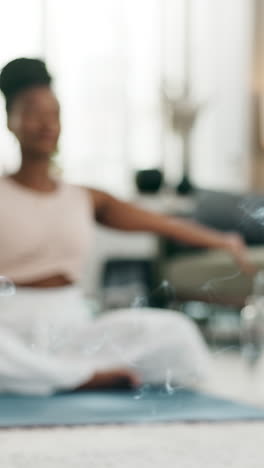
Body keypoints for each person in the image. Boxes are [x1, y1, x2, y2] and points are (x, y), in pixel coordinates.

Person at [0, 58, 254, 395]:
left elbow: (161, 223)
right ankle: (79, 378)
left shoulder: (85, 197)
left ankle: (53, 376)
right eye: (32, 112)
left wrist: (225, 241)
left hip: (72, 326)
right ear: (10, 121)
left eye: (54, 113)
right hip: (8, 323)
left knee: (175, 332)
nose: (46, 123)